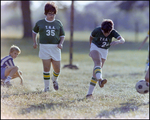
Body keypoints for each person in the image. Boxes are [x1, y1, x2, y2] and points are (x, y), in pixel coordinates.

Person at [86, 19, 125, 98]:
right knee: (98, 63)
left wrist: (117, 42)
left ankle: (89, 94)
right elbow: (91, 37)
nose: (106, 34)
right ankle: (100, 79)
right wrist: (91, 48)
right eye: (104, 32)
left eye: (108, 32)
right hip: (95, 47)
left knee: (96, 72)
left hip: (104, 50)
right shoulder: (97, 30)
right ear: (101, 29)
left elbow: (123, 40)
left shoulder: (113, 32)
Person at [32, 2, 65, 92]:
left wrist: (61, 43)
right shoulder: (40, 23)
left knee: (57, 69)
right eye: (50, 13)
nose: (52, 15)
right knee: (46, 68)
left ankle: (54, 80)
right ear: (46, 13)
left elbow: (62, 35)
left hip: (55, 48)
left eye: (53, 14)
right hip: (44, 47)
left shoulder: (58, 23)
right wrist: (35, 42)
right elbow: (34, 32)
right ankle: (46, 88)